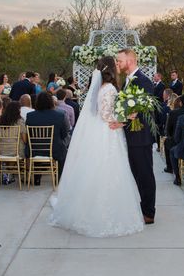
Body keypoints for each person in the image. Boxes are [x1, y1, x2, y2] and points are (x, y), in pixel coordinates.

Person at [49, 58, 144, 237]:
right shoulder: (109, 89)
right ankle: (105, 213)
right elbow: (106, 114)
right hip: (108, 132)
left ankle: (86, 209)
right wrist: (125, 118)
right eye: (116, 65)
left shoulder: (100, 88)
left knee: (96, 169)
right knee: (109, 169)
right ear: (110, 70)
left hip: (98, 131)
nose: (118, 67)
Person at [114, 48, 157, 225]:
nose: (117, 64)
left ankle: (149, 212)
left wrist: (122, 121)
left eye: (119, 61)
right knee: (137, 173)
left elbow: (143, 110)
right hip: (132, 136)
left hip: (141, 137)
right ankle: (143, 207)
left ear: (130, 61)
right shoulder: (128, 81)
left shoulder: (144, 81)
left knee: (145, 174)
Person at [25, 91, 69, 184]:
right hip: (54, 150)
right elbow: (64, 134)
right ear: (51, 102)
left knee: (39, 145)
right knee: (63, 148)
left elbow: (28, 133)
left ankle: (37, 179)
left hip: (34, 149)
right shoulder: (60, 115)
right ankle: (58, 179)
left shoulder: (30, 116)